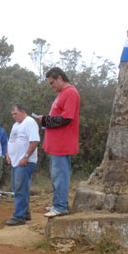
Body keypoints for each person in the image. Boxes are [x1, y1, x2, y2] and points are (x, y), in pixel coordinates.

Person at [38, 67, 81, 218]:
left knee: (60, 175)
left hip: (62, 144)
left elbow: (67, 117)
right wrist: (45, 120)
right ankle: (59, 203)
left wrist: (45, 120)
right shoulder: (63, 93)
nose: (52, 86)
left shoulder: (70, 92)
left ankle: (60, 206)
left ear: (59, 78)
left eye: (52, 83)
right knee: (57, 174)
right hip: (56, 143)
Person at [5, 105, 40, 226]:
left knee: (20, 188)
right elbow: (10, 141)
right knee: (18, 188)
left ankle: (19, 216)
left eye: (16, 113)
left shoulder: (29, 122)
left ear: (23, 111)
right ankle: (25, 213)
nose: (14, 116)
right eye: (12, 114)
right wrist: (8, 153)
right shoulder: (16, 125)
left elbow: (35, 141)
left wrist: (26, 156)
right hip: (15, 161)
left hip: (25, 162)